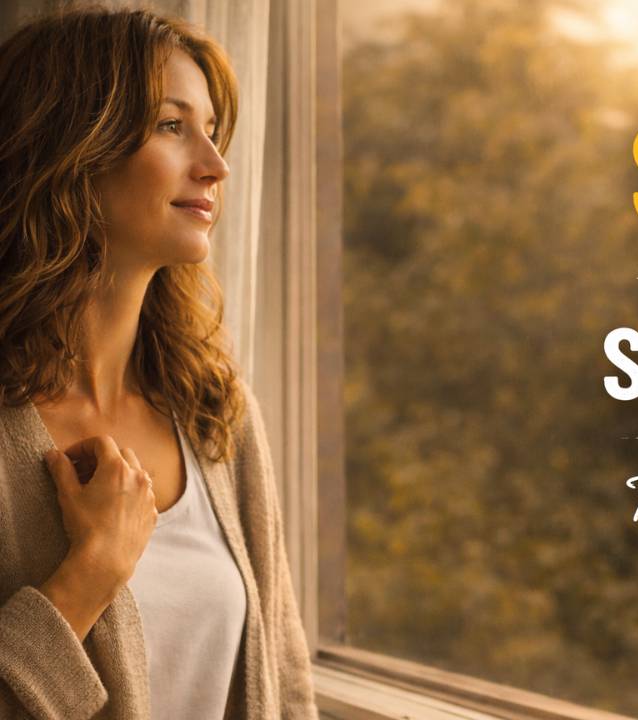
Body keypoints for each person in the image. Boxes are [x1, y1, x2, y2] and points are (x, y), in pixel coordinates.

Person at [0, 7, 318, 719]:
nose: (215, 164)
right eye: (172, 127)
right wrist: (89, 577)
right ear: (69, 146)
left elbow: (285, 681)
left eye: (211, 129)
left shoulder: (214, 411)